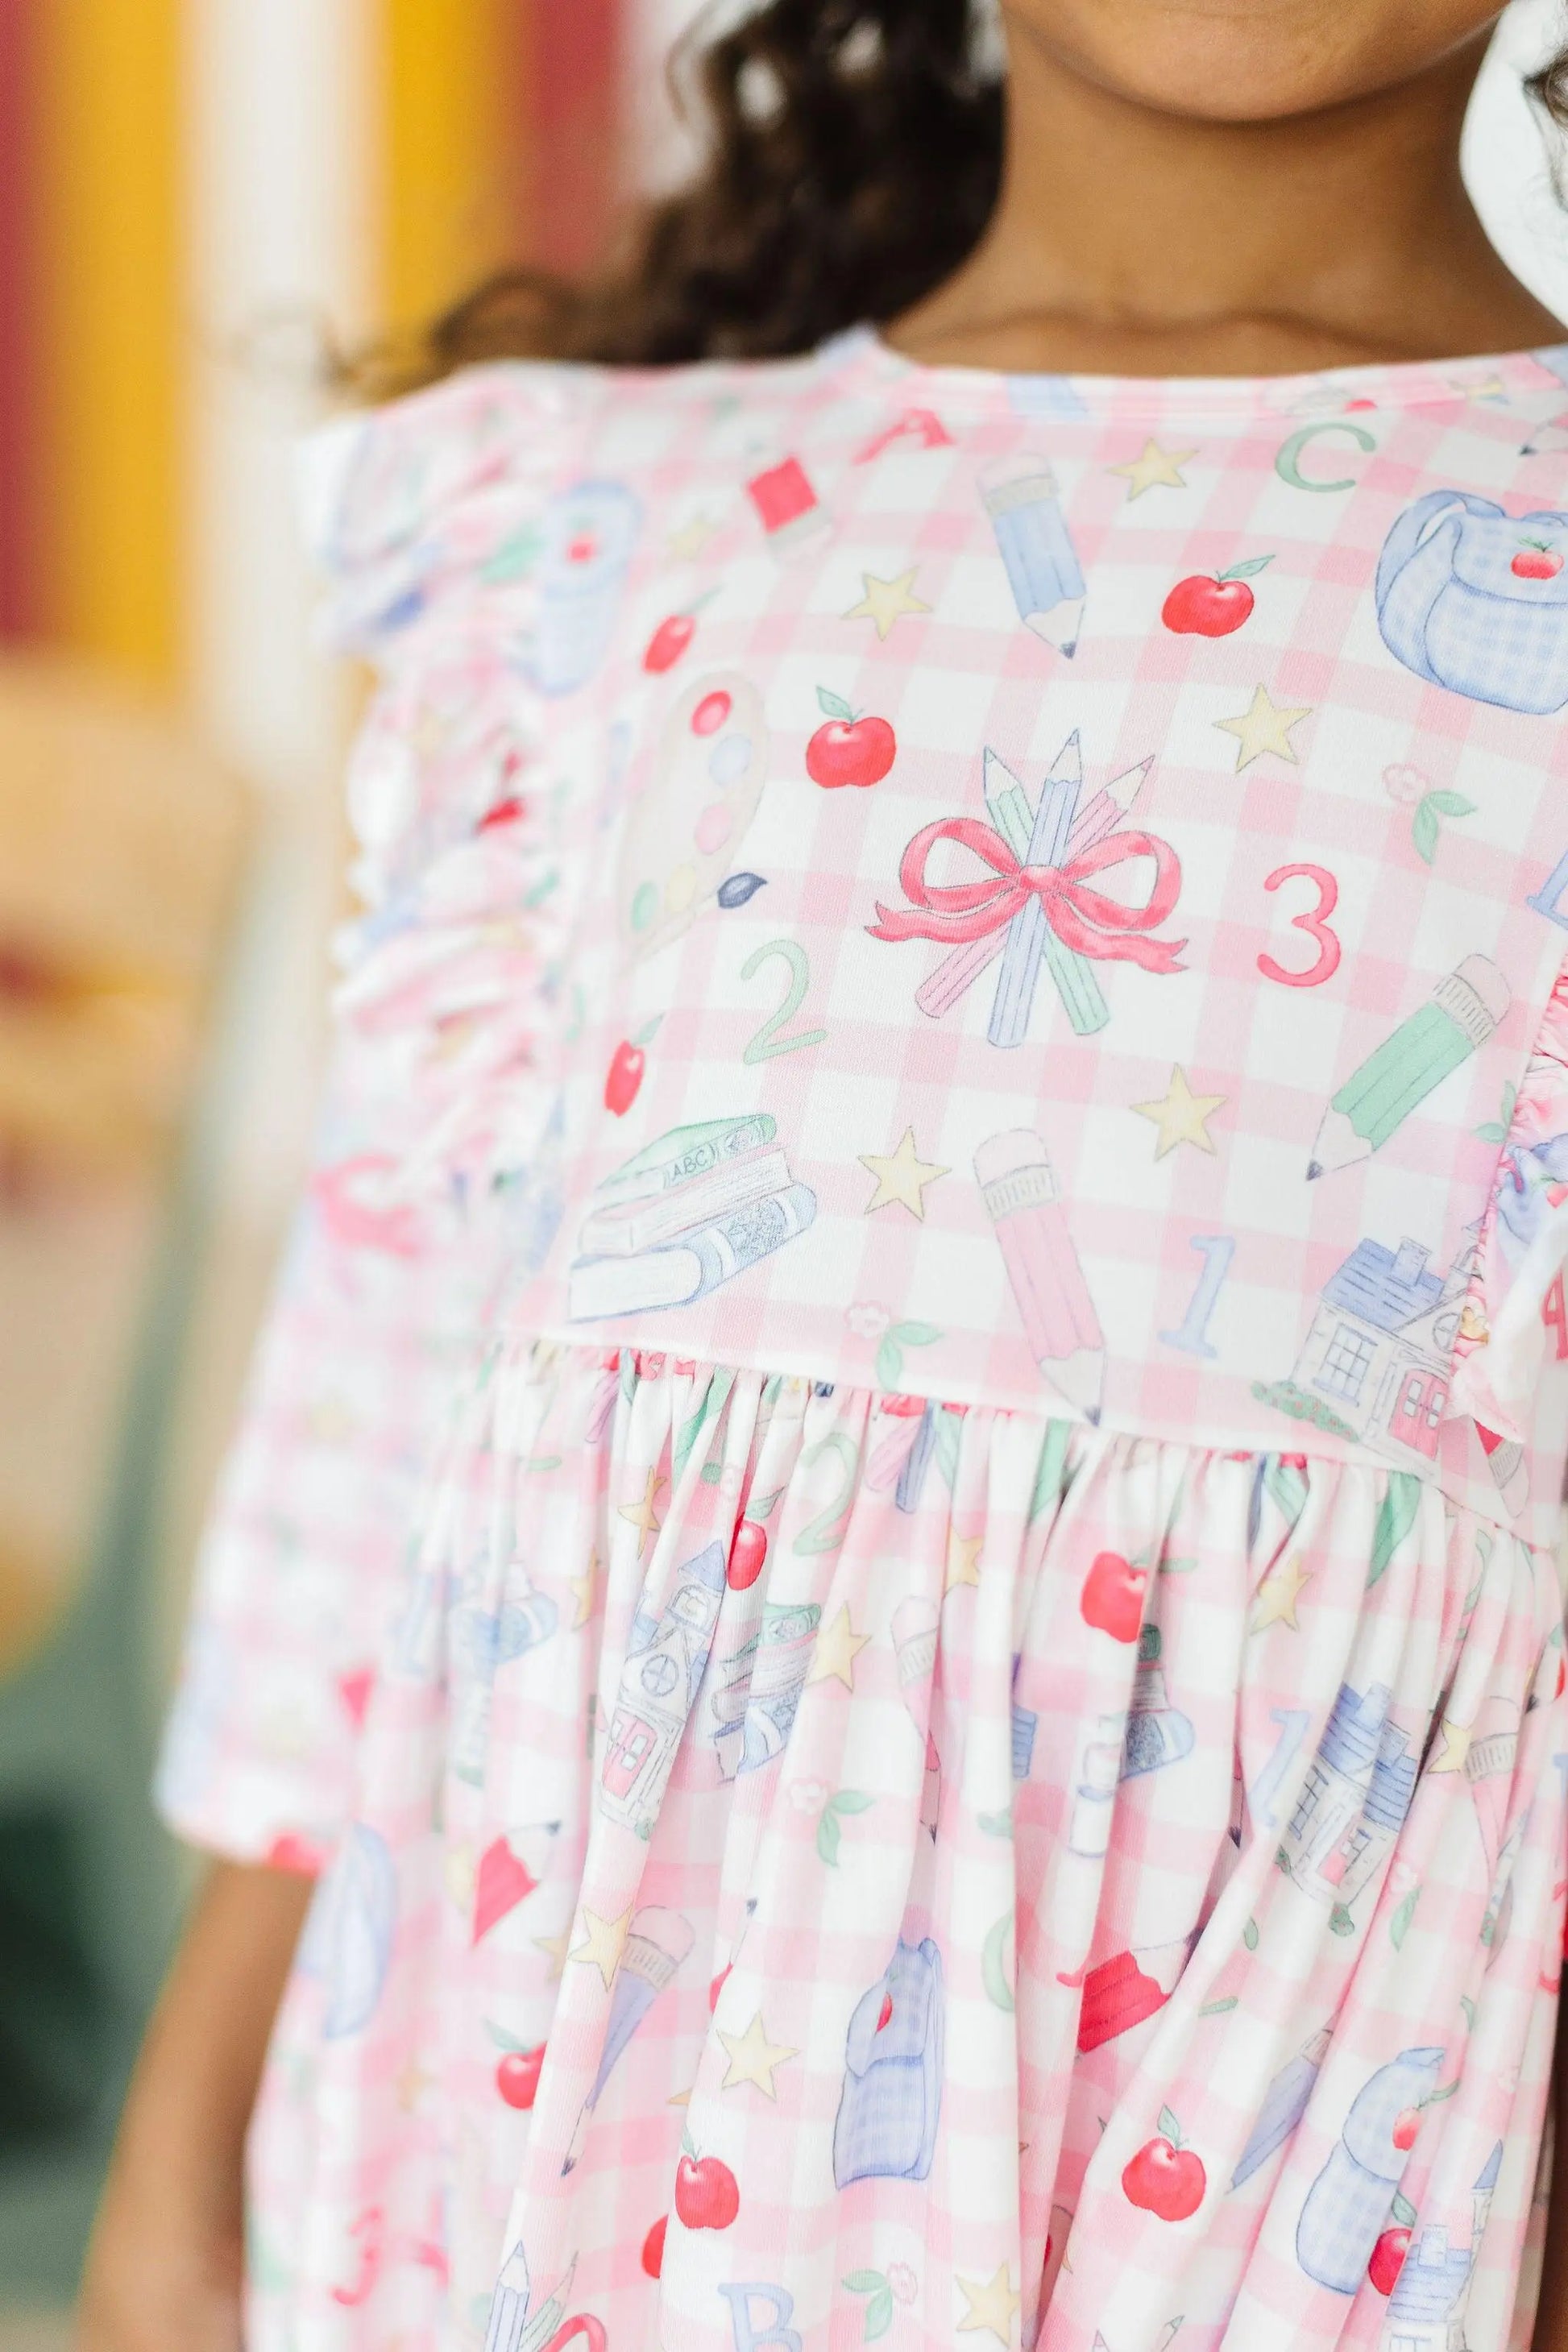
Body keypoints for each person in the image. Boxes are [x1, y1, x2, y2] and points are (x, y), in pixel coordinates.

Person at [77, 4, 1568, 2347]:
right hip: (510, 2140)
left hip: (1270, 2192)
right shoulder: (583, 531)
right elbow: (370, 1451)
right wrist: (170, 2199)